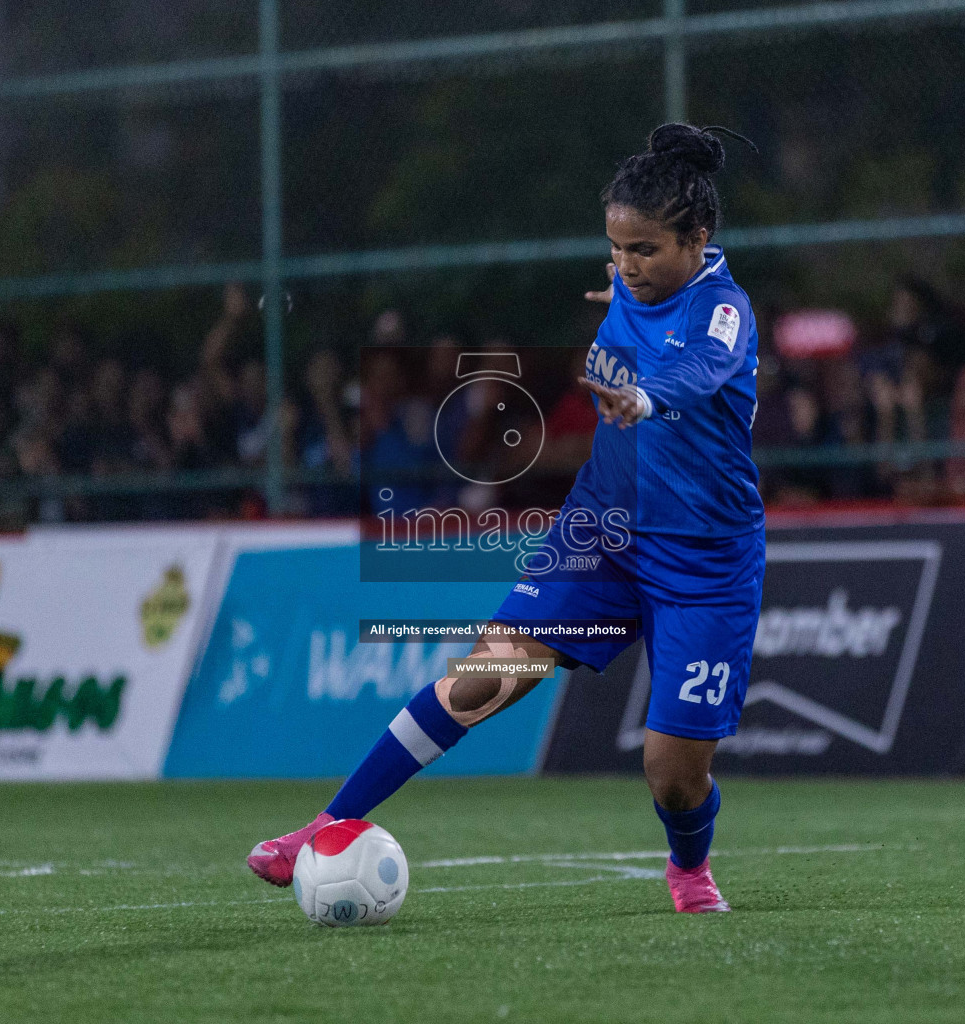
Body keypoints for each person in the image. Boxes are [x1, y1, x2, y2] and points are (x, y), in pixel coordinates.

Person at [248, 124, 763, 914]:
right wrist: (622, 292)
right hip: (605, 534)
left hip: (705, 560)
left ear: (700, 239)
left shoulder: (724, 311)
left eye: (645, 251)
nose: (627, 267)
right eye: (616, 250)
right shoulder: (638, 279)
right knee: (483, 676)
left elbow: (699, 369)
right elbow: (632, 295)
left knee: (675, 774)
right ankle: (321, 825)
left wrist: (644, 396)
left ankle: (689, 868)